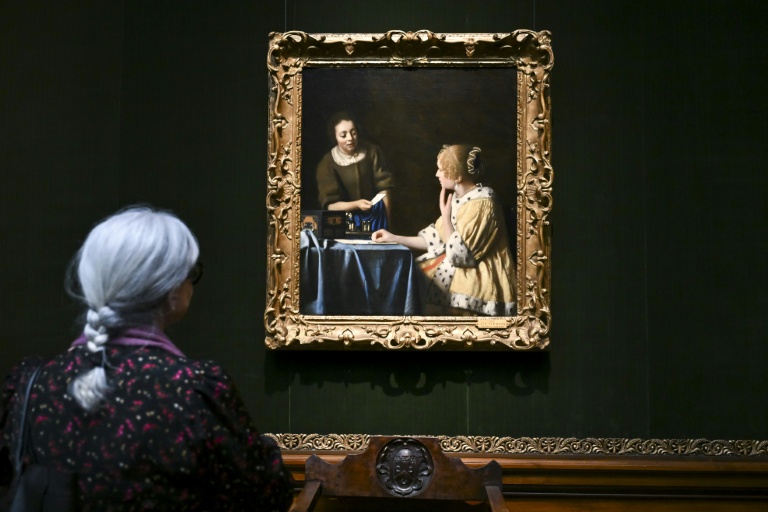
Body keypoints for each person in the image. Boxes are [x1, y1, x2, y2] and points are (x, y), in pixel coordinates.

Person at [0, 206, 294, 511]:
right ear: (172, 288)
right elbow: (270, 496)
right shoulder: (192, 389)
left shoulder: (31, 382)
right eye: (192, 274)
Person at [371, 144, 516, 316]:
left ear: (457, 176)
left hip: (479, 278)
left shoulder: (483, 203)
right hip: (457, 266)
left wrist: (446, 217)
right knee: (405, 277)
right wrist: (393, 237)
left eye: (441, 170)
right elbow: (435, 238)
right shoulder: (458, 198)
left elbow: (461, 256)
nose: (437, 174)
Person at [316, 111, 394, 231]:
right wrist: (356, 204)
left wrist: (386, 225)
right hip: (344, 222)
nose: (350, 138)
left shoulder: (372, 152)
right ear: (335, 137)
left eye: (353, 133)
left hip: (375, 218)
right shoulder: (327, 163)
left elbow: (384, 190)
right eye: (343, 135)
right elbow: (330, 206)